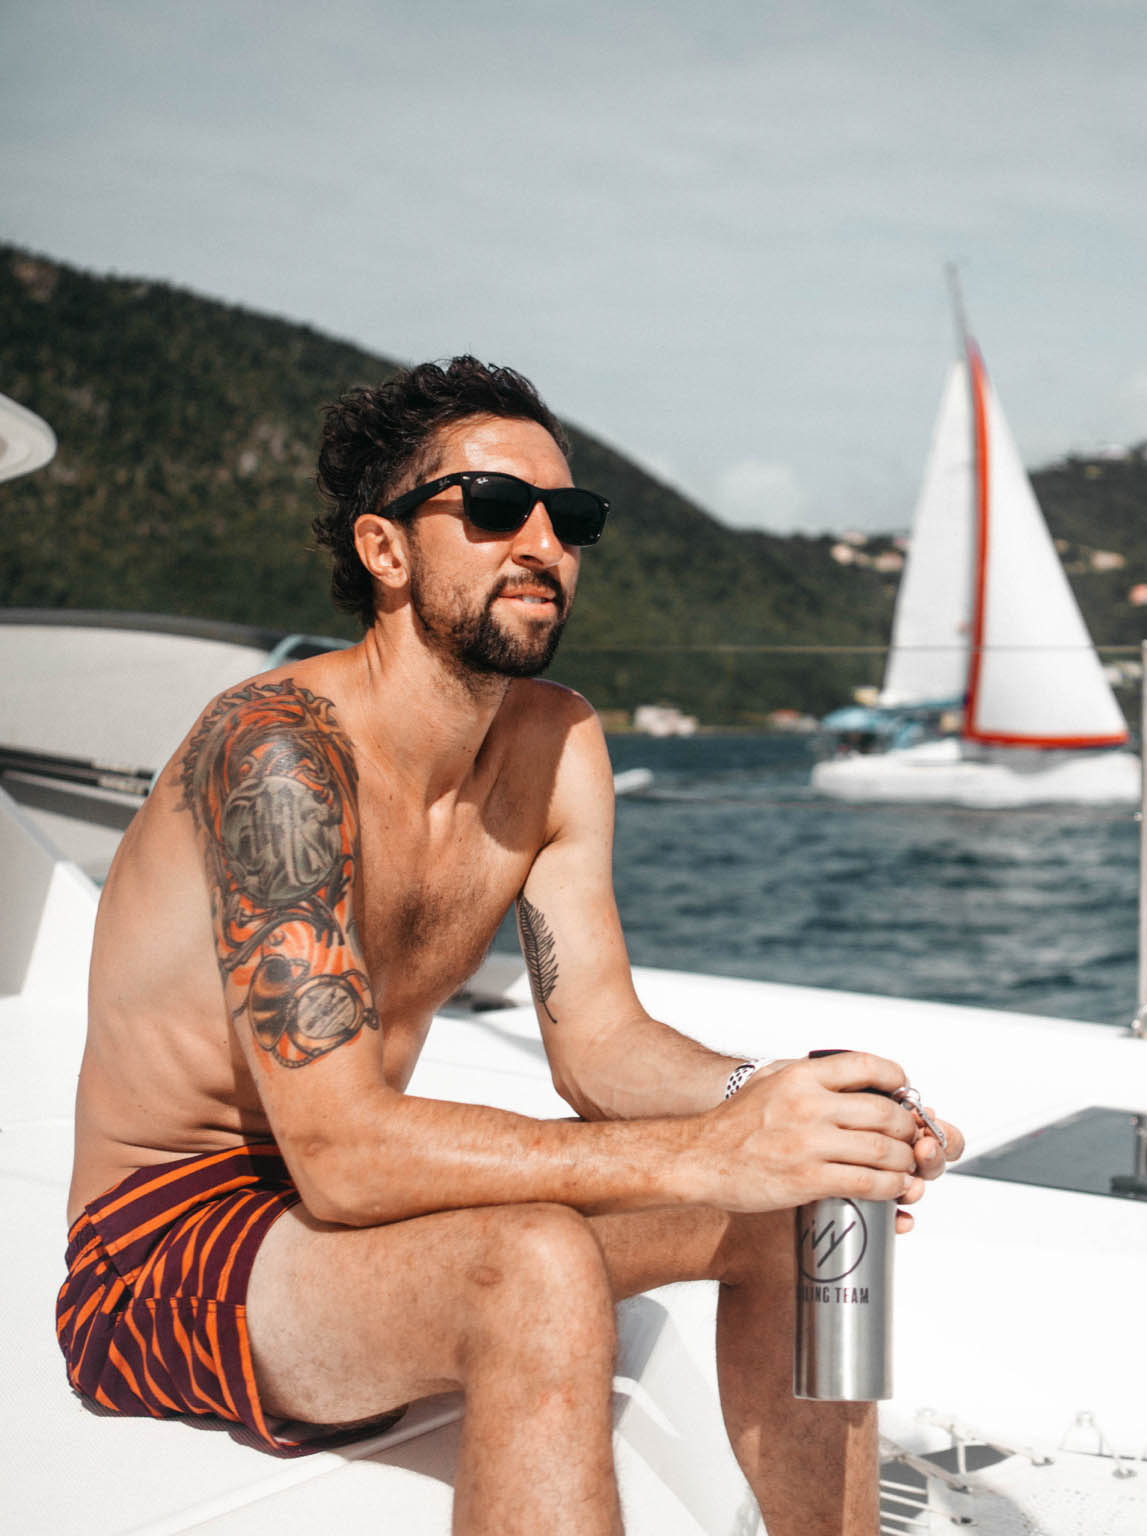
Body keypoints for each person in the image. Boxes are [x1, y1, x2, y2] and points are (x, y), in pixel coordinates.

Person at [57, 356, 963, 1535]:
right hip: (165, 1250)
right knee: (533, 1262)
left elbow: (601, 1042)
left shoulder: (556, 739)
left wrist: (792, 1106)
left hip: (354, 1222)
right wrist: (708, 1153)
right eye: (493, 508)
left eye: (569, 518)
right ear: (385, 549)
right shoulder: (278, 757)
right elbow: (342, 1155)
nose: (542, 543)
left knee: (806, 1205)